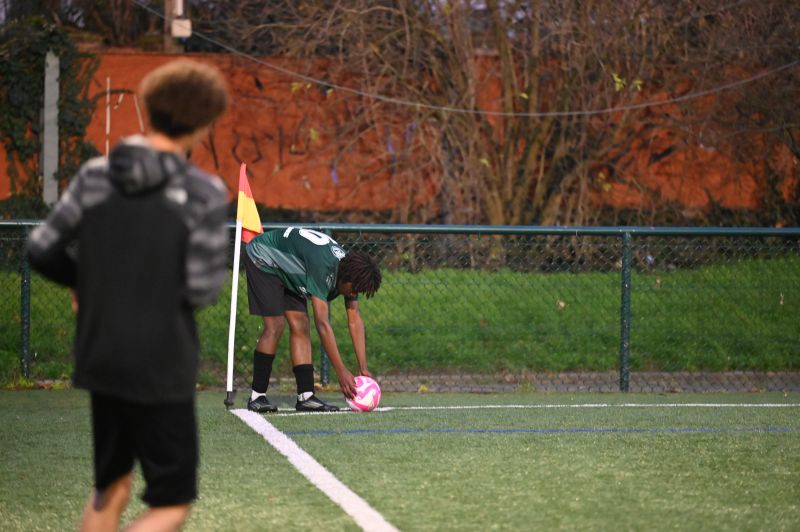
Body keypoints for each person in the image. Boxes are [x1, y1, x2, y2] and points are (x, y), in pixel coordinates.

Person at [26, 59, 230, 532]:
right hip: (162, 363)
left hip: (102, 354)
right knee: (171, 504)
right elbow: (202, 288)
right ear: (203, 124)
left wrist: (86, 282)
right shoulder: (203, 192)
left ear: (148, 107)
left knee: (110, 487)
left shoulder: (96, 175)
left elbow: (40, 248)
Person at [244, 227, 382, 412]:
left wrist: (362, 367)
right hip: (264, 256)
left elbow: (354, 319)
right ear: (347, 278)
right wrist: (340, 371)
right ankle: (257, 396)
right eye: (354, 289)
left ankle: (306, 397)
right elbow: (322, 324)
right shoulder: (324, 267)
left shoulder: (350, 273)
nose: (354, 294)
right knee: (275, 325)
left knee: (301, 325)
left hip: (291, 265)